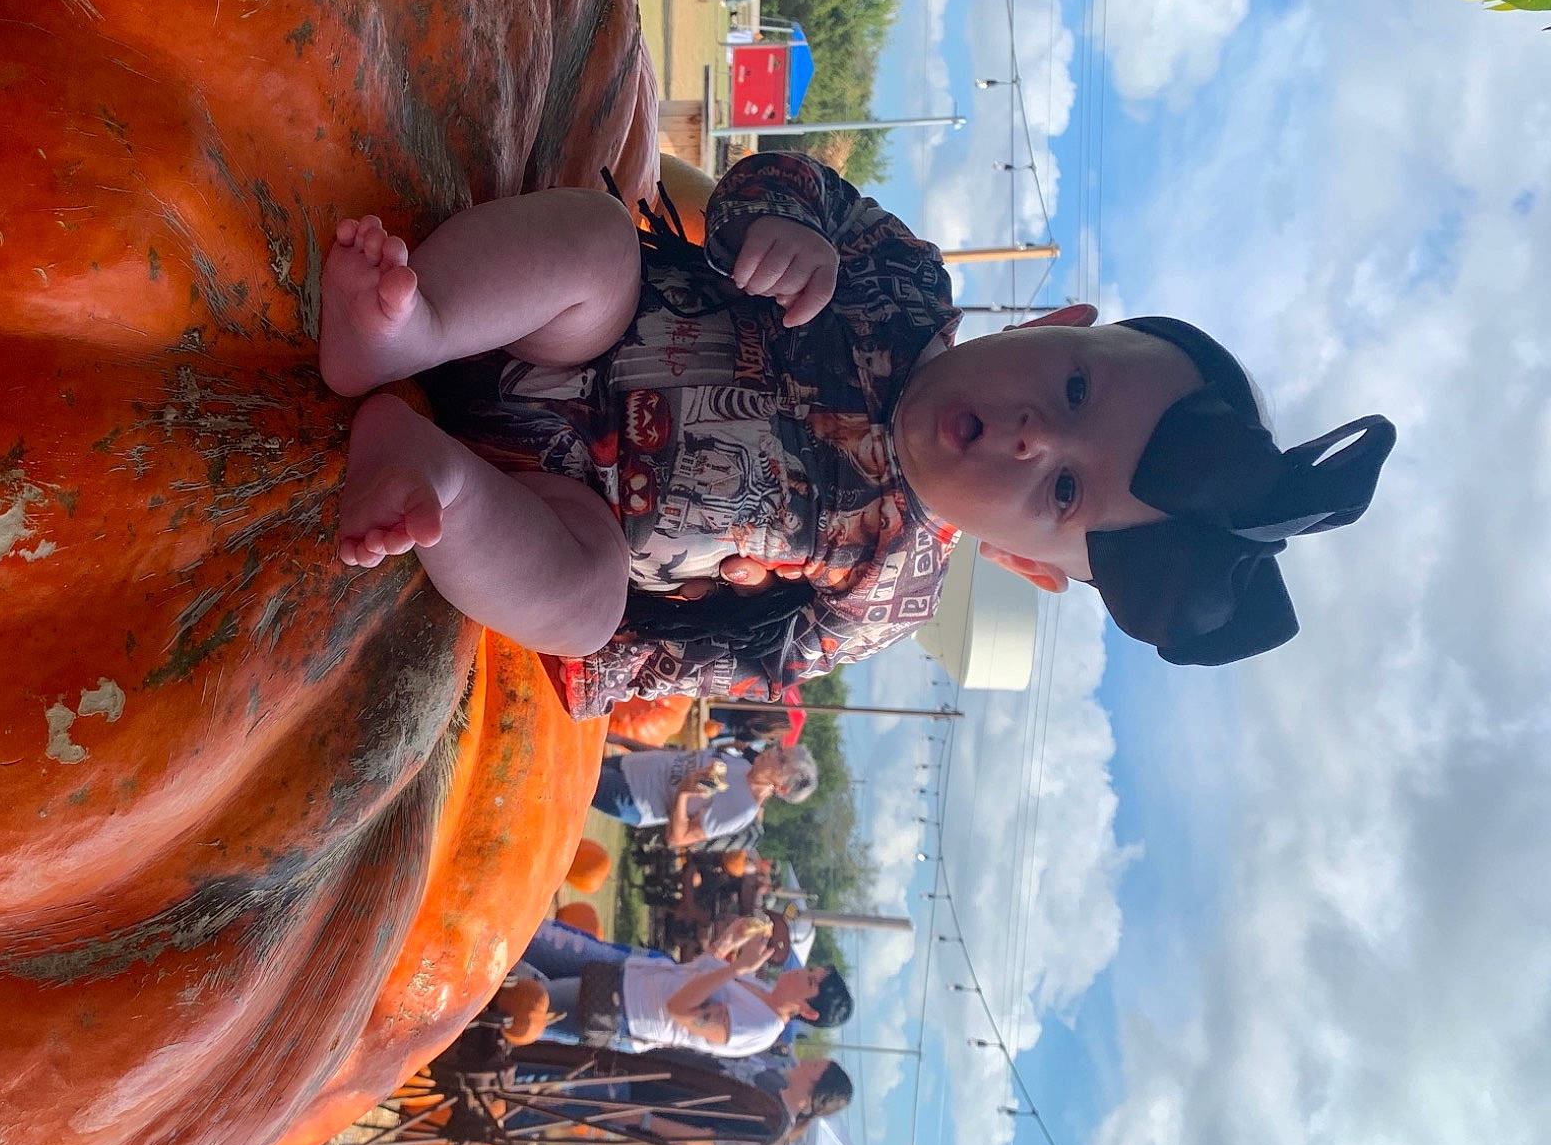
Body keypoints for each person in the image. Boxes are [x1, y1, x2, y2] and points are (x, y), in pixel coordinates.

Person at [321, 150, 1395, 716]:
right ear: (1059, 323)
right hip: (574, 333)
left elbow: (755, 656)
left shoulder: (885, 597)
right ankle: (411, 327)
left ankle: (440, 492)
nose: (1031, 440)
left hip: (568, 516)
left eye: (1064, 494)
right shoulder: (898, 280)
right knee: (596, 247)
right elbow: (782, 180)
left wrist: (632, 662)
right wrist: (775, 225)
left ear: (1023, 560)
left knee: (584, 599)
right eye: (1072, 394)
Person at [515, 914, 850, 1058]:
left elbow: (680, 1009)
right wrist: (725, 943)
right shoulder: (759, 989)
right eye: (809, 970)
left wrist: (735, 968)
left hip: (622, 1011)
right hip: (625, 972)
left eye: (808, 981)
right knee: (529, 934)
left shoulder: (761, 1027)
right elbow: (699, 973)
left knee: (517, 1002)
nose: (797, 973)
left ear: (807, 1009)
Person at [594, 741, 816, 849]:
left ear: (781, 788)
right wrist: (624, 741)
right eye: (780, 750)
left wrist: (682, 794)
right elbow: (677, 757)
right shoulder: (741, 763)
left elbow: (677, 838)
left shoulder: (742, 809)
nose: (772, 752)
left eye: (781, 760)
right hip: (628, 764)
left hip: (634, 797)